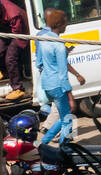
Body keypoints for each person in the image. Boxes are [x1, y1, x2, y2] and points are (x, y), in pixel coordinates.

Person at [34, 8, 85, 145]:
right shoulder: (59, 45)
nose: (66, 26)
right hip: (58, 85)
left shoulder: (43, 40)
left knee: (64, 117)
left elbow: (39, 63)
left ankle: (42, 143)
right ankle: (61, 146)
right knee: (68, 117)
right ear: (59, 25)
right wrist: (71, 97)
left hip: (47, 84)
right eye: (65, 24)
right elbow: (63, 74)